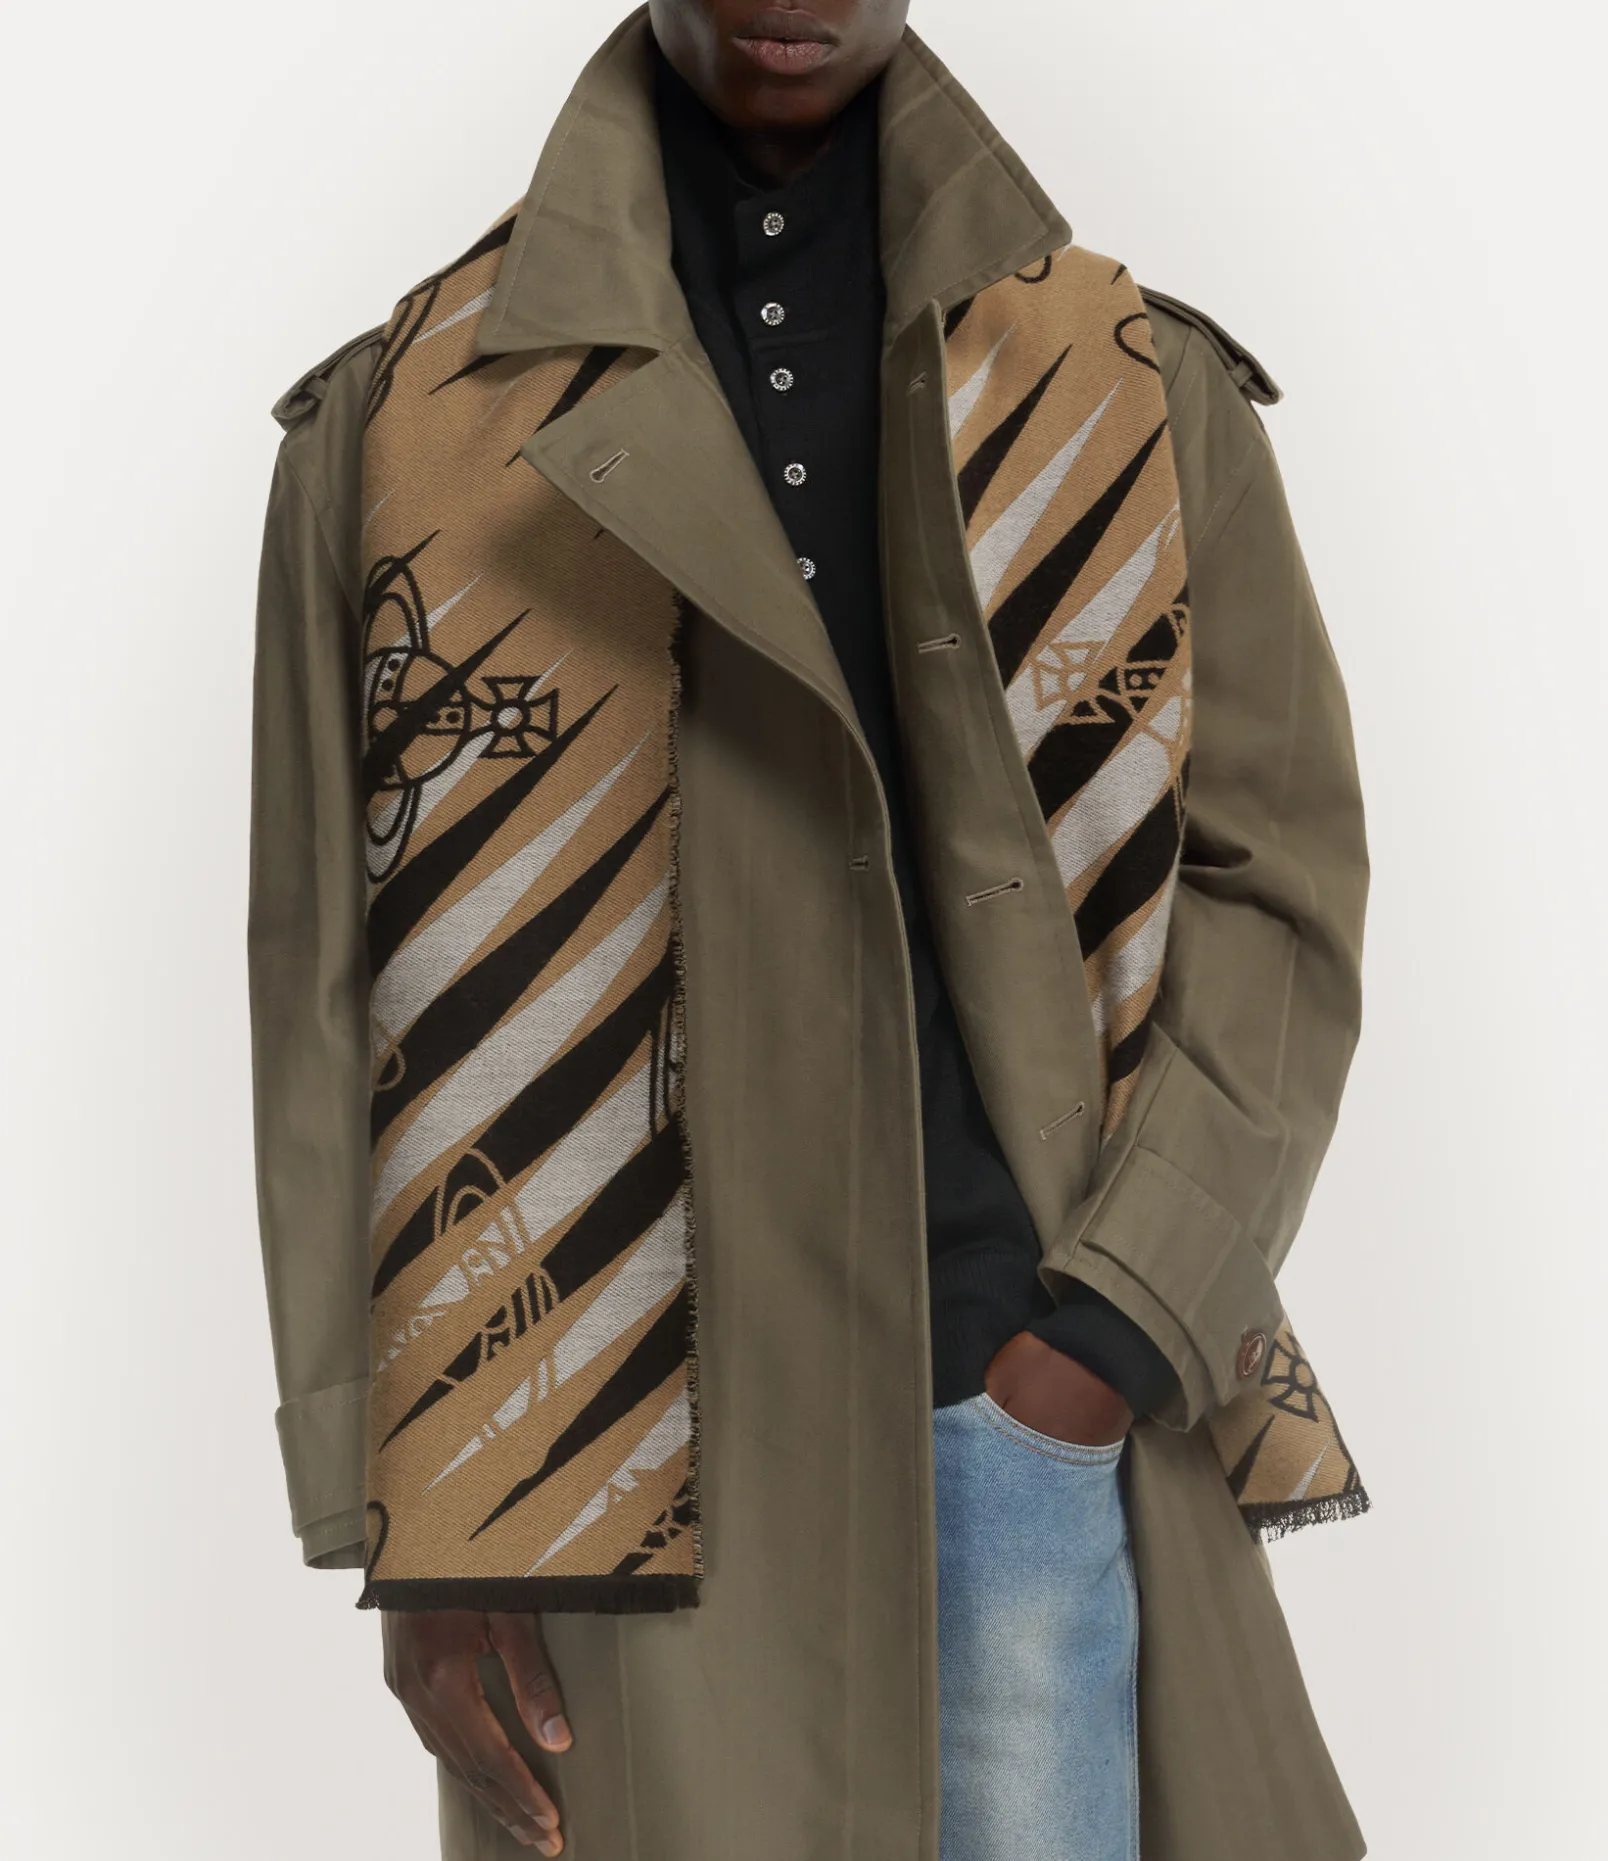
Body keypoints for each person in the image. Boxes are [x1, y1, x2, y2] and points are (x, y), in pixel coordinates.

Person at [248, 3, 1371, 1858]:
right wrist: (413, 1516)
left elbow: (1277, 888)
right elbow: (322, 995)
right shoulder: (404, 428)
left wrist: (1107, 1337)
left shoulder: (1126, 382)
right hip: (597, 1471)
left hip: (1015, 1415)